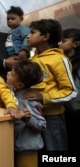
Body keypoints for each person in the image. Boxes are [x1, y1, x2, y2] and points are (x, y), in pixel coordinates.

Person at [22, 19, 78, 151]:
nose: (28, 35)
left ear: (45, 37)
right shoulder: (33, 58)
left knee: (55, 152)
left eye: (33, 32)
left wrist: (43, 97)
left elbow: (70, 92)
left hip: (52, 117)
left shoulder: (59, 60)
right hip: (32, 114)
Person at [6, 60, 46, 167]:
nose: (8, 73)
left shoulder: (27, 99)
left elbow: (41, 125)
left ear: (19, 85)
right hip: (18, 147)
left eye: (12, 74)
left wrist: (28, 119)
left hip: (28, 150)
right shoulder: (14, 96)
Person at [59, 28, 80, 152]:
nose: (60, 43)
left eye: (64, 41)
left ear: (76, 44)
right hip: (68, 109)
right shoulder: (63, 61)